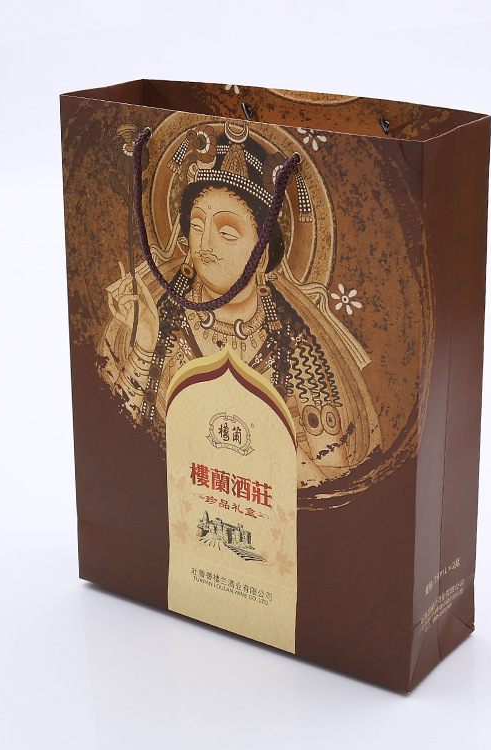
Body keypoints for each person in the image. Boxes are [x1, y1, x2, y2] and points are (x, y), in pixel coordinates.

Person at [101, 123, 381, 490]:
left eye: (227, 232)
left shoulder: (299, 353)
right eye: (196, 226)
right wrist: (144, 346)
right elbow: (114, 444)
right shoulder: (164, 322)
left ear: (261, 255)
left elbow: (333, 485)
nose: (205, 243)